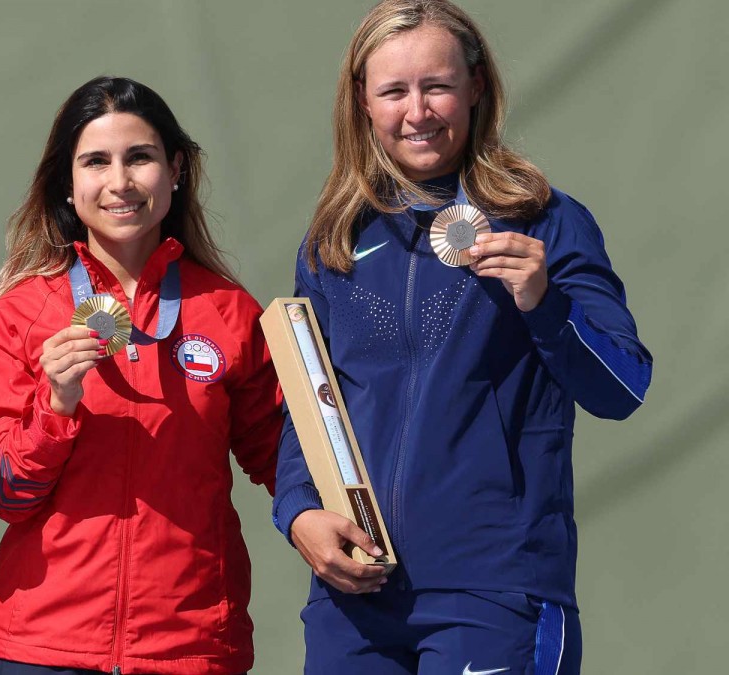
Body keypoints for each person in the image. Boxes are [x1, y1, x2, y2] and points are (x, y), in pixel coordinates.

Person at [272, 2, 653, 674]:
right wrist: (300, 511)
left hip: (495, 590)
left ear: (477, 87)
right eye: (394, 90)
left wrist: (545, 304)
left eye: (437, 86)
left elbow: (623, 387)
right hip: (354, 596)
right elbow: (307, 404)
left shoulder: (543, 221)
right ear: (362, 101)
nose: (417, 111)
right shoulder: (333, 240)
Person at [0, 76, 282, 675]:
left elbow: (283, 460)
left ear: (176, 169)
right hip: (44, 647)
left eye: (139, 157)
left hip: (190, 645)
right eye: (96, 161)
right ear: (67, 183)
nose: (119, 182)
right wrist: (56, 407)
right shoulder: (22, 311)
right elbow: (6, 496)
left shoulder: (229, 311)